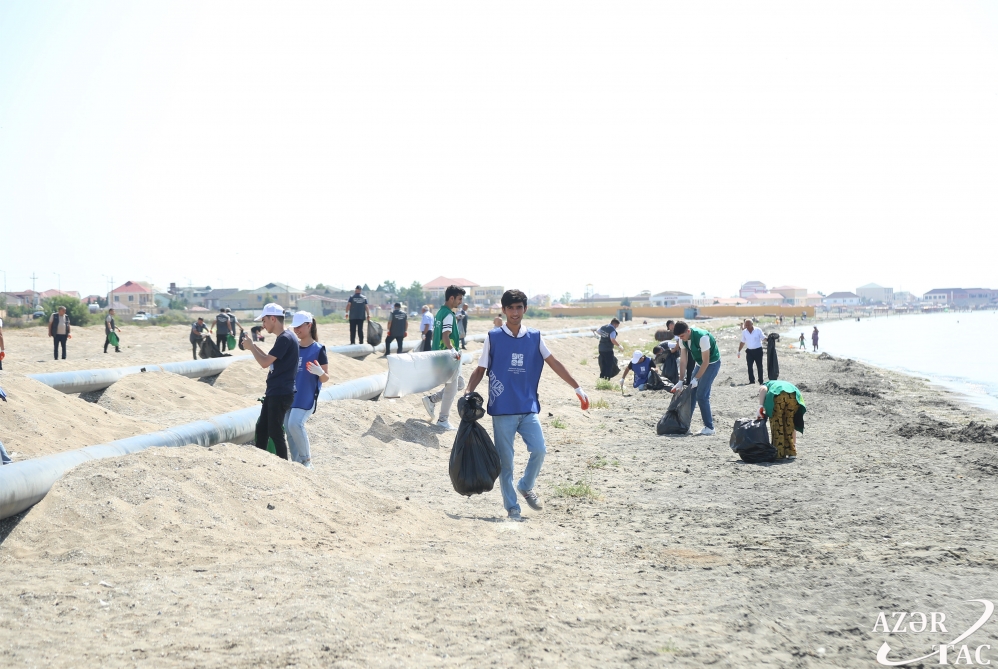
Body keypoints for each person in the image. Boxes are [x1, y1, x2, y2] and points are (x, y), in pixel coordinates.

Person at [465, 289, 589, 520]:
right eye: (511, 308)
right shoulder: (493, 337)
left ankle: (526, 485)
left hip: (528, 407)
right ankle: (512, 507)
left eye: (519, 307)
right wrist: (468, 391)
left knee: (539, 450)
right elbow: (480, 369)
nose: (515, 312)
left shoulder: (535, 337)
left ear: (525, 309)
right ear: (504, 310)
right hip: (502, 409)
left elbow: (554, 362)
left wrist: (577, 387)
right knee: (506, 463)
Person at [243, 303, 299, 461]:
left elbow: (264, 363)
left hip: (280, 392)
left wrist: (251, 348)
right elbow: (270, 359)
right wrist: (253, 346)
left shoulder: (285, 338)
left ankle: (284, 466)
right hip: (276, 391)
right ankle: (260, 462)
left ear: (273, 319)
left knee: (275, 432)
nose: (263, 324)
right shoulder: (285, 337)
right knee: (262, 429)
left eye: (264, 320)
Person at [284, 312, 328, 469]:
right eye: (294, 327)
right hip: (289, 396)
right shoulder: (292, 348)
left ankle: (307, 461)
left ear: (309, 325)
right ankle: (298, 464)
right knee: (288, 429)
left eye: (299, 326)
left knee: (295, 424)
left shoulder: (319, 349)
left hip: (305, 397)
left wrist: (320, 372)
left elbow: (325, 378)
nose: (296, 330)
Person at [420, 286, 466, 430]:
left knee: (460, 384)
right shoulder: (449, 315)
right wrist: (452, 351)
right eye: (459, 299)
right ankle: (442, 420)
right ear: (451, 298)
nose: (460, 302)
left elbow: (437, 334)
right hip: (447, 358)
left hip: (440, 355)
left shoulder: (440, 312)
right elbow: (446, 336)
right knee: (452, 388)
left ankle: (431, 399)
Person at [672, 321, 721, 436]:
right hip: (700, 364)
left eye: (682, 336)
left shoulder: (702, 338)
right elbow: (683, 361)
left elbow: (706, 361)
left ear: (688, 331)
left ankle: (709, 428)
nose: (681, 339)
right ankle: (685, 425)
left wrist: (696, 378)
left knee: (702, 395)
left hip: (712, 363)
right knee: (691, 393)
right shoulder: (682, 339)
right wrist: (681, 380)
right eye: (679, 337)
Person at [758, 381, 806, 459]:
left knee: (777, 424)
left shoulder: (766, 384)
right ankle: (792, 451)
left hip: (778, 396)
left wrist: (760, 406)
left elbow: (763, 389)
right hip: (793, 396)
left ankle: (778, 453)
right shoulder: (780, 383)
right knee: (789, 423)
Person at [737, 319, 765, 385]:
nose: (747, 326)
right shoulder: (744, 332)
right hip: (749, 352)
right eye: (746, 325)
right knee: (749, 366)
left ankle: (761, 381)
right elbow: (742, 342)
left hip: (758, 351)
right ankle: (752, 381)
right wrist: (739, 351)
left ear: (752, 324)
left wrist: (769, 339)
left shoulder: (758, 330)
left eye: (748, 325)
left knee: (759, 366)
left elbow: (763, 338)